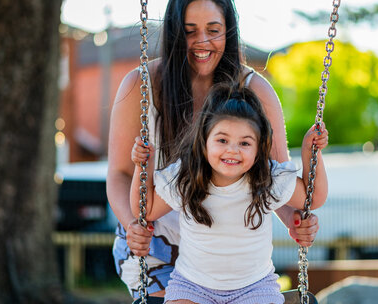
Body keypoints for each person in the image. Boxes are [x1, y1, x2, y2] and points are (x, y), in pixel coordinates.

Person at [106, 0, 320, 299]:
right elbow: (120, 173)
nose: (202, 41)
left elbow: (275, 174)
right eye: (190, 31)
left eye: (213, 29)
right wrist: (133, 224)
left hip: (225, 248)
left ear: (228, 31)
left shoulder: (254, 92)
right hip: (156, 240)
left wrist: (294, 219)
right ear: (175, 34)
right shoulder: (142, 86)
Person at [130, 84, 328, 303]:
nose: (233, 150)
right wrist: (142, 166)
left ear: (259, 148)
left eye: (244, 143)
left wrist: (311, 153)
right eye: (222, 140)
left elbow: (314, 197)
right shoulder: (186, 179)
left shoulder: (268, 179)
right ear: (204, 141)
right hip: (192, 286)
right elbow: (145, 209)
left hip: (254, 287)